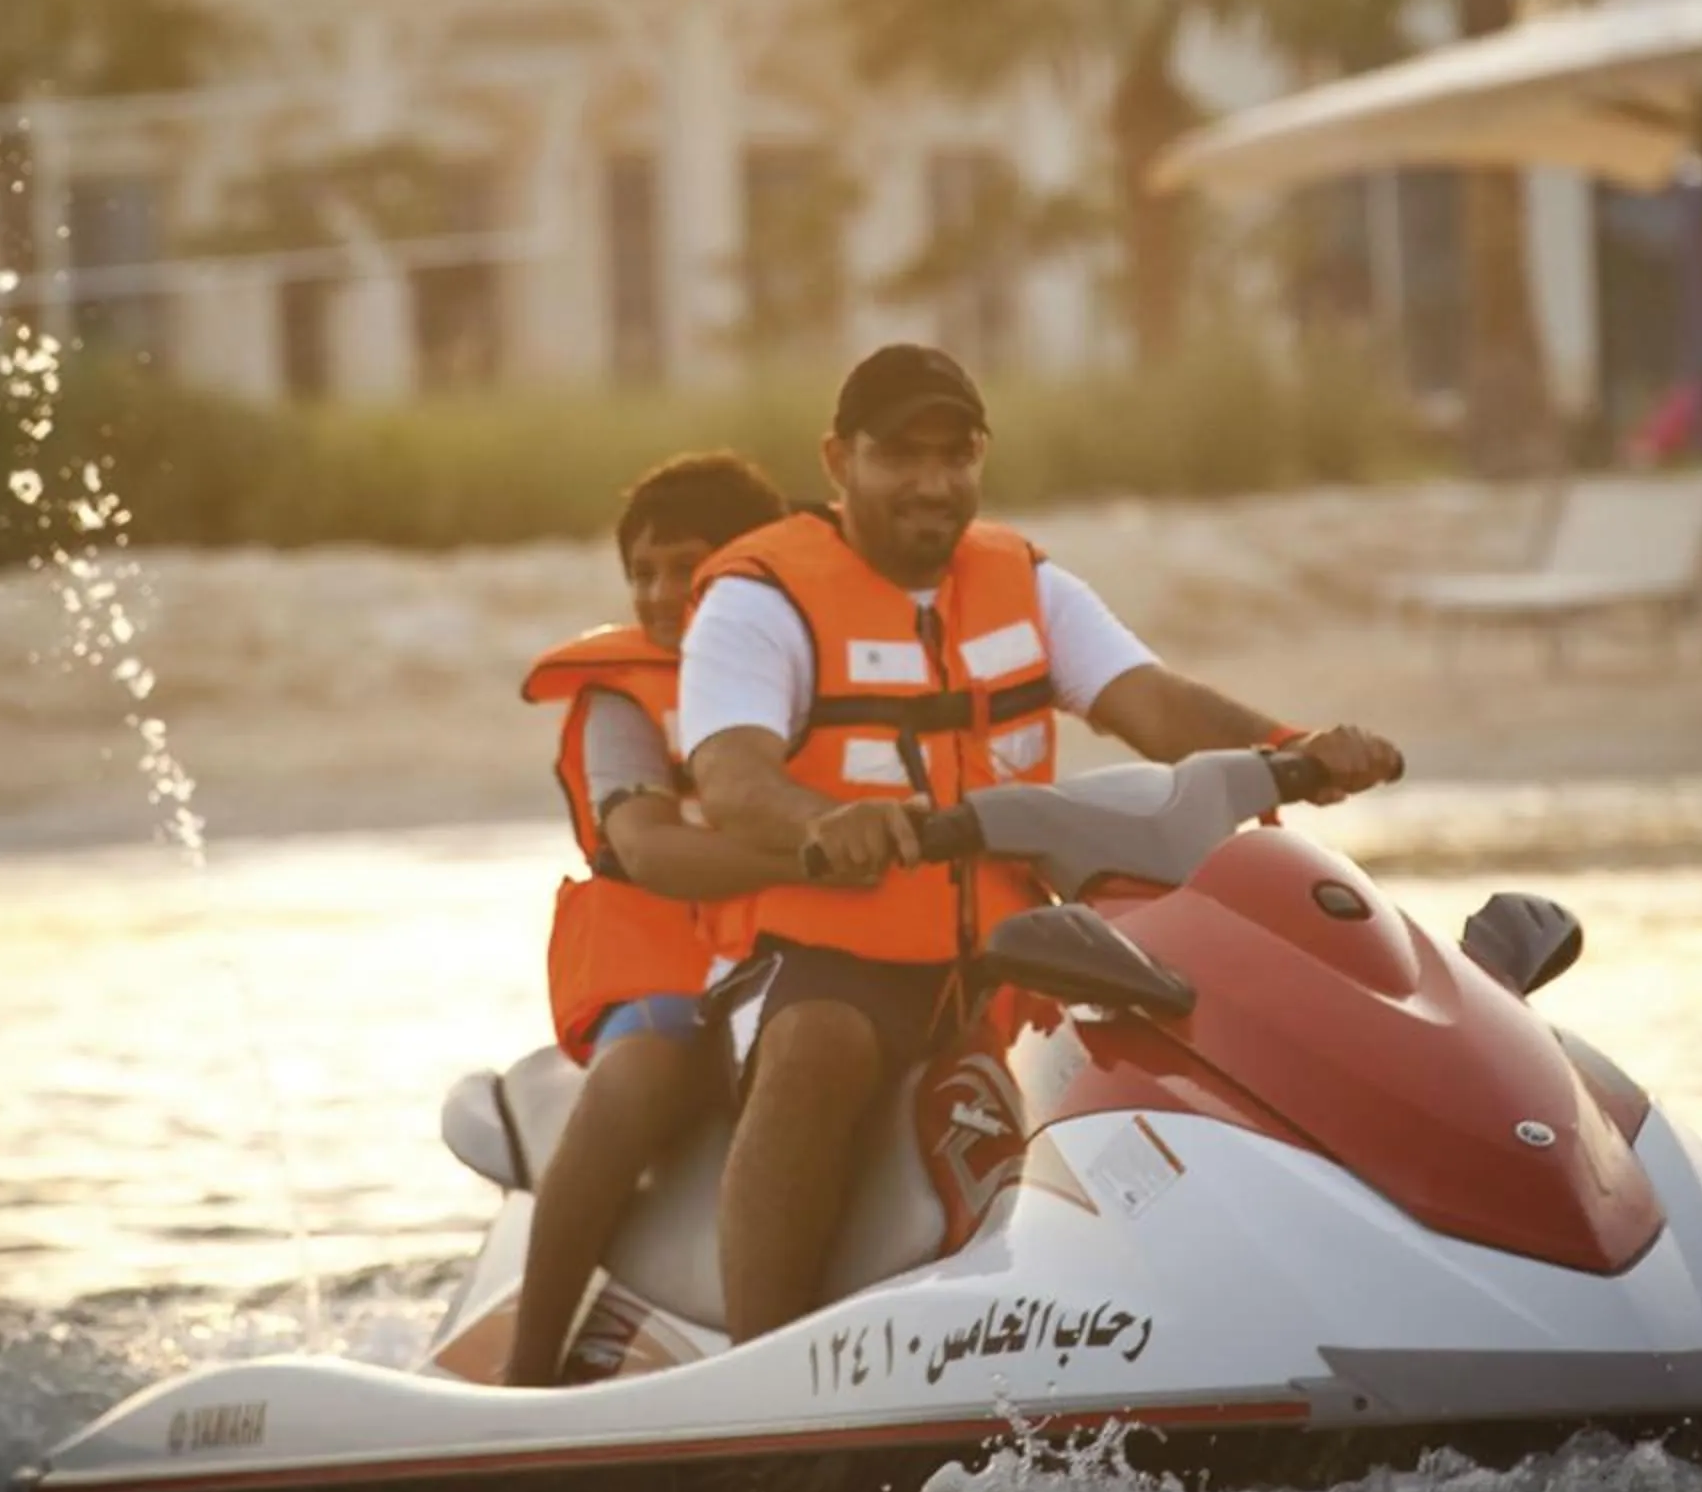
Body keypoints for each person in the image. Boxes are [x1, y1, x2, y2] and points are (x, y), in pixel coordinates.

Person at [680, 343, 1404, 1343]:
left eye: (957, 454)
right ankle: (756, 1375)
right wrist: (822, 823)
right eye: (902, 456)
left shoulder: (1025, 583)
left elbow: (1152, 704)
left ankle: (1286, 1301)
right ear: (838, 458)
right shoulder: (758, 602)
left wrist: (1292, 749)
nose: (934, 483)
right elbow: (730, 775)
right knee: (822, 1045)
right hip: (817, 963)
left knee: (1205, 1009)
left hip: (1017, 958)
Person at [507, 448, 806, 1386]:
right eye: (643, 571)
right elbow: (644, 847)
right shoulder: (620, 697)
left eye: (688, 565)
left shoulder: (814, 658)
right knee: (645, 1072)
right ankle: (528, 1362)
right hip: (656, 951)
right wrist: (823, 857)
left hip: (786, 937)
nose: (663, 591)